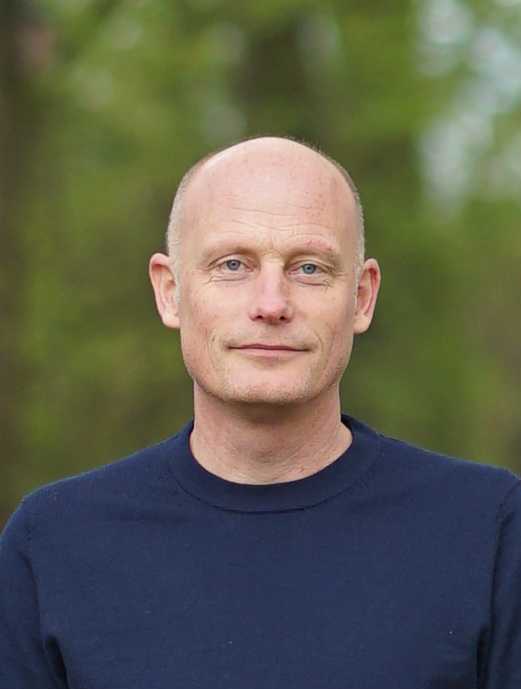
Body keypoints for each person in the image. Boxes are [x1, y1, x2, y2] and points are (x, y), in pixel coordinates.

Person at [1, 136, 520, 689]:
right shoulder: (53, 544)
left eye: (309, 268)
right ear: (170, 291)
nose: (271, 304)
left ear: (362, 297)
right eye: (232, 265)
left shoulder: (490, 531)